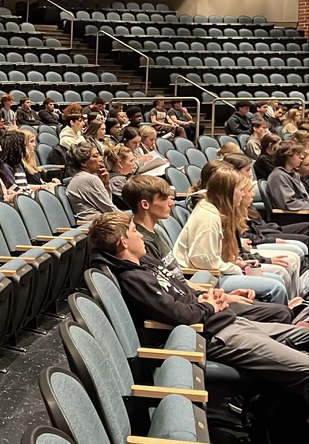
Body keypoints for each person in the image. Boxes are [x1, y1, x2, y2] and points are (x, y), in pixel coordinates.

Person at [87, 212, 308, 406]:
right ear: (123, 242)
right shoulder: (133, 278)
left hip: (228, 322)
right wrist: (209, 306)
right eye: (135, 231)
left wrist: (208, 297)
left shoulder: (144, 263)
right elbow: (178, 315)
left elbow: (181, 294)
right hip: (217, 335)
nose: (141, 235)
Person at [174, 168, 290, 304]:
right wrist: (234, 268)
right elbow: (201, 260)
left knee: (278, 279)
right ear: (228, 193)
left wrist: (234, 263)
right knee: (275, 287)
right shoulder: (209, 217)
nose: (243, 195)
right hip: (205, 278)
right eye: (241, 190)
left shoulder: (216, 210)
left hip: (214, 272)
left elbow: (212, 255)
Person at [65, 142, 117, 222]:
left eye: (99, 155)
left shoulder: (80, 177)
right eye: (95, 156)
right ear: (83, 163)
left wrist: (106, 184)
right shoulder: (89, 179)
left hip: (99, 222)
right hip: (96, 226)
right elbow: (110, 210)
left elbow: (108, 205)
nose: (101, 159)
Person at [266, 141, 309, 212]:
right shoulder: (279, 176)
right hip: (290, 217)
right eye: (298, 154)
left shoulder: (294, 174)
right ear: (287, 156)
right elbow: (289, 204)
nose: (302, 156)